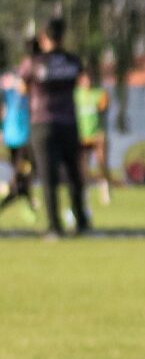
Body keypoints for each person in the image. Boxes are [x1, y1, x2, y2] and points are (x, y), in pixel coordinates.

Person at [18, 18, 88, 237]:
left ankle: (54, 226)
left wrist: (32, 52)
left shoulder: (35, 62)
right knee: (74, 175)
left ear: (43, 36)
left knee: (49, 177)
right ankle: (81, 222)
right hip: (68, 122)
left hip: (43, 122)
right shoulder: (72, 61)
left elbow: (22, 87)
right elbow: (83, 81)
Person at [1, 39, 37, 222]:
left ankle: (27, 202)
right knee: (21, 177)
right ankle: (22, 200)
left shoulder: (17, 77)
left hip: (18, 135)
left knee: (24, 176)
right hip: (20, 136)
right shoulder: (16, 78)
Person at [75, 72, 110, 207]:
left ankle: (105, 188)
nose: (87, 82)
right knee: (83, 167)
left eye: (89, 79)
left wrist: (102, 132)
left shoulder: (99, 93)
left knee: (101, 162)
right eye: (84, 79)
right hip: (81, 136)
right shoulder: (75, 95)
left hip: (96, 135)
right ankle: (84, 191)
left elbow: (103, 112)